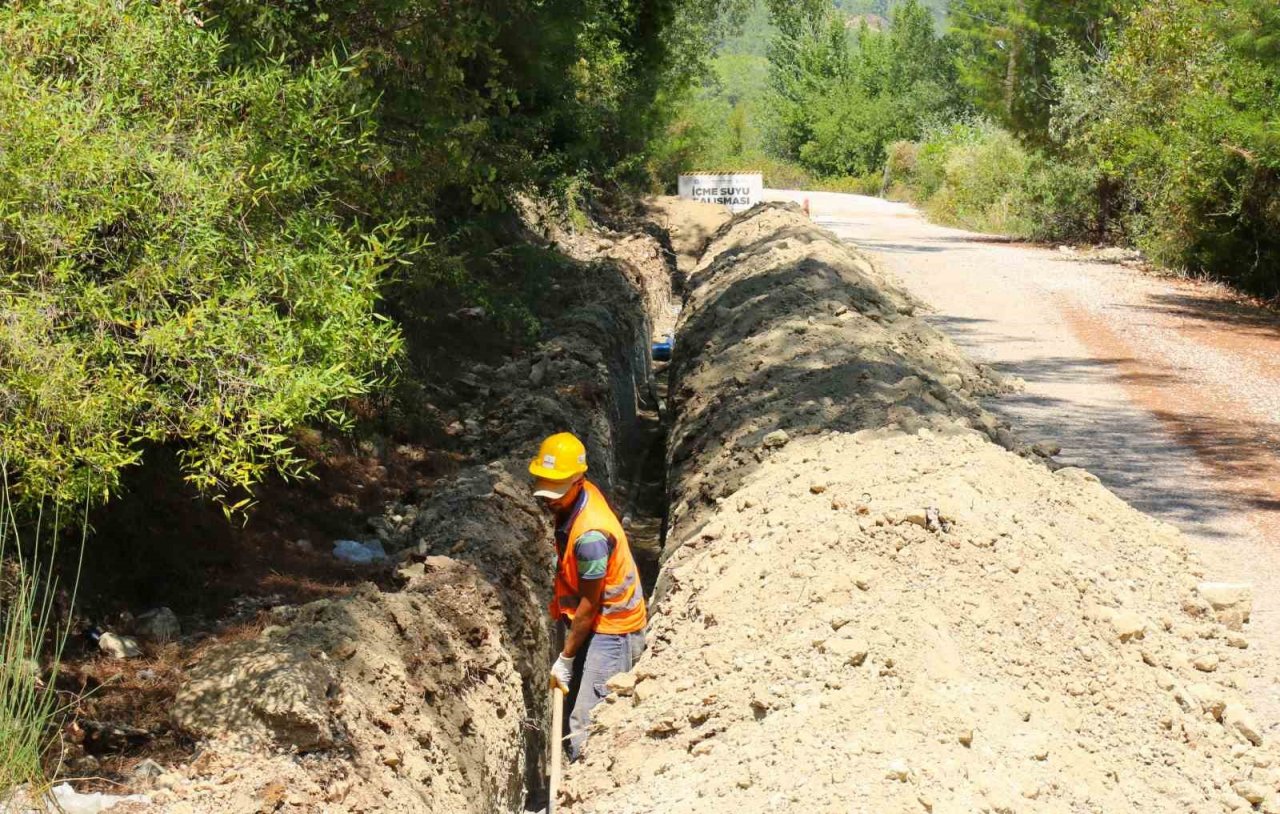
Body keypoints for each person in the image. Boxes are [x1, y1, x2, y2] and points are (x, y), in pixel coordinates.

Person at [529, 432, 646, 761]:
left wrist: (566, 658)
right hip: (592, 621)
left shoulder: (591, 536)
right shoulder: (575, 499)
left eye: (556, 490)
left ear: (578, 480)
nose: (549, 498)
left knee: (587, 721)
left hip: (613, 628)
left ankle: (584, 788)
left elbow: (590, 603)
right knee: (576, 707)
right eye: (545, 486)